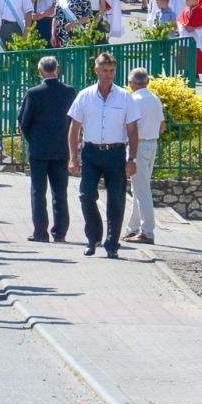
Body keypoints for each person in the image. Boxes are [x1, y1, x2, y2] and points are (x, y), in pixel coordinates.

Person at [68, 53, 138, 259]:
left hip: (116, 153)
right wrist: (73, 157)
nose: (108, 75)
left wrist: (131, 158)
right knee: (86, 195)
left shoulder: (124, 97)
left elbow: (133, 130)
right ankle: (93, 237)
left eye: (112, 71)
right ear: (96, 70)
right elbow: (74, 129)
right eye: (104, 70)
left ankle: (112, 243)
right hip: (91, 152)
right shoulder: (85, 96)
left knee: (116, 200)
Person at [16, 56, 75, 242]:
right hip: (61, 149)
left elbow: (24, 121)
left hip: (39, 150)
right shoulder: (69, 92)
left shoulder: (34, 93)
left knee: (38, 192)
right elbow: (74, 121)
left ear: (40, 71)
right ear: (57, 69)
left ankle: (40, 232)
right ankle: (60, 232)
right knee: (60, 192)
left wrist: (32, 139)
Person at [120, 69, 166, 245]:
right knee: (139, 188)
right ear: (147, 82)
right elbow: (162, 126)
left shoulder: (133, 100)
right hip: (152, 143)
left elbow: (129, 127)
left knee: (141, 190)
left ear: (131, 83)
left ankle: (147, 231)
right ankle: (133, 228)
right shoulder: (154, 99)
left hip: (137, 145)